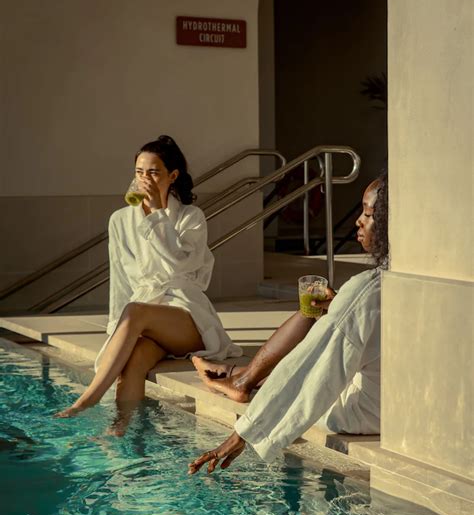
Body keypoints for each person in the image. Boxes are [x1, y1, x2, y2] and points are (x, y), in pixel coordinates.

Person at [188, 170, 388, 474]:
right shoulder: (405, 280)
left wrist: (243, 433)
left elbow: (310, 372)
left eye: (369, 214)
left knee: (309, 362)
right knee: (323, 326)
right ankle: (239, 377)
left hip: (368, 415)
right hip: (403, 407)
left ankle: (239, 379)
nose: (359, 220)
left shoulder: (366, 289)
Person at [55, 135, 241, 419]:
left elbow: (181, 267)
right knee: (133, 361)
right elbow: (120, 279)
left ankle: (87, 400)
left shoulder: (191, 217)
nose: (145, 179)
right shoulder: (120, 220)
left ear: (172, 176)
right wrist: (118, 335)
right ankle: (123, 435)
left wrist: (156, 213)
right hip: (144, 315)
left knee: (135, 311)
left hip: (185, 316)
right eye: (139, 172)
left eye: (153, 172)